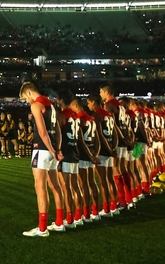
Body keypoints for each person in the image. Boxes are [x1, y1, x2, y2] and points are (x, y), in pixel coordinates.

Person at [19, 82, 64, 237]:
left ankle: (42, 228)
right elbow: (57, 129)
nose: (27, 101)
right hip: (52, 151)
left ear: (29, 92)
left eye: (25, 98)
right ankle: (59, 223)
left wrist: (52, 150)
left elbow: (43, 132)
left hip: (42, 149)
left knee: (40, 187)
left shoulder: (36, 105)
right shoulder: (51, 105)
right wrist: (57, 149)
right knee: (55, 186)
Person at [100, 84, 133, 210]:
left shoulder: (110, 104)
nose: (100, 95)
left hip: (117, 140)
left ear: (107, 92)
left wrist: (122, 137)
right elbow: (126, 122)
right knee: (123, 169)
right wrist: (128, 135)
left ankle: (122, 201)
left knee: (115, 170)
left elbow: (112, 125)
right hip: (124, 139)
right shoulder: (120, 105)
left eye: (101, 92)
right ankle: (129, 199)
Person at [87, 95, 120, 217]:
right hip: (110, 149)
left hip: (102, 150)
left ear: (93, 102)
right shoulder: (109, 115)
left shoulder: (97, 115)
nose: (88, 105)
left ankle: (106, 209)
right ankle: (114, 206)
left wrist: (105, 149)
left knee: (103, 181)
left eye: (88, 102)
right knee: (110, 179)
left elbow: (99, 135)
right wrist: (113, 148)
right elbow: (115, 132)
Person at [71, 98, 101, 223]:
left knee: (82, 185)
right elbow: (97, 139)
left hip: (83, 155)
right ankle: (95, 211)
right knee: (92, 183)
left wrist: (89, 155)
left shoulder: (79, 118)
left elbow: (80, 141)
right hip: (91, 153)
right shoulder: (91, 118)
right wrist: (95, 154)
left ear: (75, 105)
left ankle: (84, 215)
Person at [56, 93, 83, 229]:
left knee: (66, 188)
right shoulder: (75, 116)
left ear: (62, 100)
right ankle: (79, 216)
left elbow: (58, 134)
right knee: (75, 186)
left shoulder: (63, 114)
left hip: (65, 153)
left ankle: (70, 219)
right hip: (75, 152)